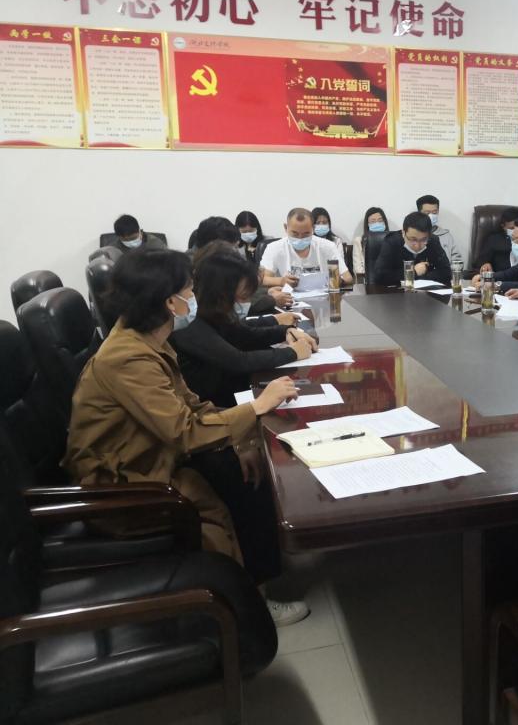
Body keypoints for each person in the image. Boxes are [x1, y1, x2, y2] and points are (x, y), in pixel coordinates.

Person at [62, 248, 309, 625]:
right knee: (237, 482)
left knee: (246, 465)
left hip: (151, 457)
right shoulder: (127, 359)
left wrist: (239, 437)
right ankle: (246, 607)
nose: (194, 297)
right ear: (169, 302)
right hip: (125, 486)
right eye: (189, 289)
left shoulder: (147, 340)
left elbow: (191, 405)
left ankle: (256, 580)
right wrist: (257, 407)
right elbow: (184, 432)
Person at [172, 243, 317, 407]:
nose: (246, 303)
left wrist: (285, 332)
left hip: (229, 390)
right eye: (242, 297)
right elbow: (238, 361)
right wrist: (292, 352)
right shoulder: (188, 322)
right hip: (213, 405)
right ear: (219, 293)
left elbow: (242, 334)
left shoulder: (212, 311)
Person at [260, 207, 353, 291]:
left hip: (323, 298)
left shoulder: (327, 246)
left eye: (306, 234)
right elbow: (263, 279)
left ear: (313, 228)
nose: (300, 238)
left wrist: (337, 281)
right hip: (289, 299)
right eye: (295, 233)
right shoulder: (274, 248)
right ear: (286, 228)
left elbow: (348, 278)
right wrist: (281, 281)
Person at [373, 211, 452, 286]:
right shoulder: (392, 242)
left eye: (423, 239)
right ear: (403, 233)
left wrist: (421, 277)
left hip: (425, 292)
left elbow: (446, 272)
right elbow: (379, 276)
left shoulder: (433, 241)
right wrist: (413, 272)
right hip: (396, 293)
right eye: (413, 239)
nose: (417, 245)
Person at [416, 194, 463, 264]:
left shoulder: (446, 236)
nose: (431, 216)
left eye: (434, 212)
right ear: (419, 213)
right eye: (427, 213)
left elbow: (457, 260)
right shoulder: (412, 236)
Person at [476, 207, 518, 274]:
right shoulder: (494, 240)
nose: (515, 231)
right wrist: (485, 264)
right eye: (512, 228)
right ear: (503, 226)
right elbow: (481, 261)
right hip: (500, 276)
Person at [353, 207, 389, 279]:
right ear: (368, 224)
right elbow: (358, 269)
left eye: (380, 220)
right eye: (373, 221)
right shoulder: (359, 241)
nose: (377, 223)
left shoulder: (392, 240)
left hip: (389, 280)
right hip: (367, 280)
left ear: (385, 223)